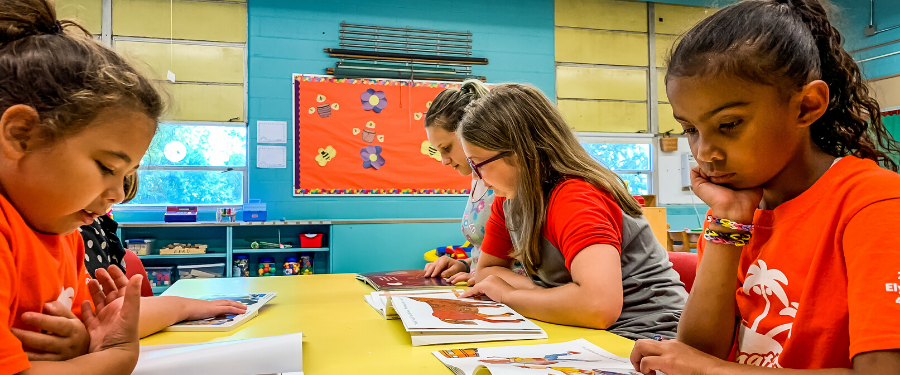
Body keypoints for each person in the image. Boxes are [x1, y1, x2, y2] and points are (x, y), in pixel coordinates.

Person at [629, 0, 900, 373]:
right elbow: (696, 352)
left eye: (729, 124)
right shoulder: (733, 213)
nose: (704, 152)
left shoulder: (875, 203)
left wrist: (712, 369)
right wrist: (728, 224)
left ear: (806, 106)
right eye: (691, 129)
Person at [0, 0, 159, 373]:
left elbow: (74, 330)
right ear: (22, 135)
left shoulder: (63, 228)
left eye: (127, 175)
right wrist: (116, 358)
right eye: (107, 167)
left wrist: (84, 340)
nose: (118, 193)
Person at [457, 83, 687, 339]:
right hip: (589, 329)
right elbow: (487, 272)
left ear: (521, 153)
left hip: (648, 334)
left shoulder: (575, 197)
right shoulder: (509, 198)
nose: (478, 179)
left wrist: (510, 295)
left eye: (478, 165)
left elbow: (598, 307)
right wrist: (556, 294)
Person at [79, 172, 246, 339]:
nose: (119, 195)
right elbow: (108, 328)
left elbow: (115, 321)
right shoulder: (79, 226)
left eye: (123, 182)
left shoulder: (91, 223)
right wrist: (185, 307)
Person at [422, 80, 523, 284]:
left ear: (470, 132)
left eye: (447, 147)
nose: (444, 161)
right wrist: (468, 264)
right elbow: (494, 255)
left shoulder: (504, 180)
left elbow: (528, 262)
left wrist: (483, 274)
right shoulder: (479, 178)